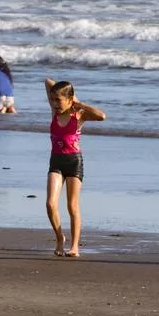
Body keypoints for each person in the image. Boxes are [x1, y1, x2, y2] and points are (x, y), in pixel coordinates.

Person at [43, 77, 107, 257]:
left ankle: (75, 246)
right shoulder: (54, 112)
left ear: (69, 100)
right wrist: (64, 93)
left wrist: (78, 103)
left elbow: (101, 116)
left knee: (72, 206)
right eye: (52, 99)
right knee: (50, 203)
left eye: (58, 100)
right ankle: (59, 238)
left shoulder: (78, 114)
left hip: (73, 162)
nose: (54, 103)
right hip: (55, 161)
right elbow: (47, 81)